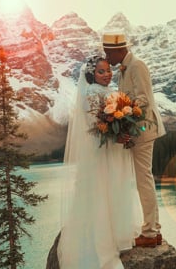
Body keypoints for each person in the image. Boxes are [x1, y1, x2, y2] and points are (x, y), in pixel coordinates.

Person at [57, 56, 143, 268]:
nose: (107, 75)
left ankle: (114, 236)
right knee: (104, 192)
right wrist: (116, 135)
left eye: (108, 70)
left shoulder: (106, 91)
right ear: (91, 74)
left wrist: (123, 129)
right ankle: (104, 245)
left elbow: (109, 121)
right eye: (101, 72)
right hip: (101, 153)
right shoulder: (92, 93)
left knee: (110, 191)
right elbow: (95, 126)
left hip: (110, 150)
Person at [103, 32, 167, 248]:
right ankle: (154, 230)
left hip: (144, 131)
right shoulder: (124, 69)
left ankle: (149, 233)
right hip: (138, 131)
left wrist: (122, 117)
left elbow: (143, 100)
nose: (106, 57)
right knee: (144, 180)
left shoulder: (136, 66)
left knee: (144, 181)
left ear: (119, 50)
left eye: (108, 53)